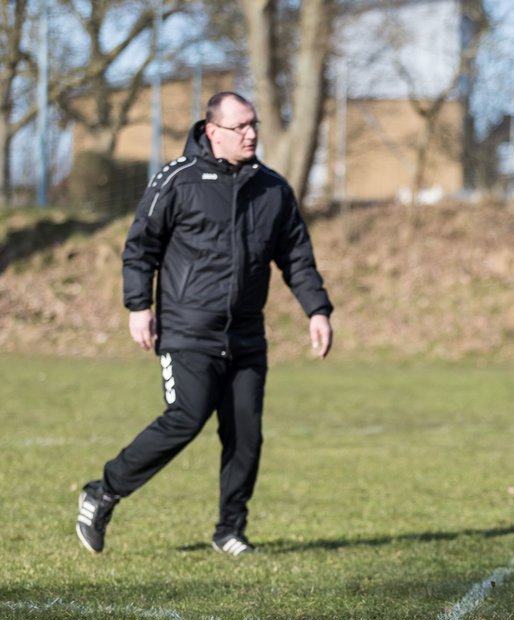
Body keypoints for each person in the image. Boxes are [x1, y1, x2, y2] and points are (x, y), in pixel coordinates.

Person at [75, 91, 334, 556]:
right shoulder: (177, 180)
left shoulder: (273, 189)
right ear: (212, 131)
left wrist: (317, 309)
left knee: (246, 436)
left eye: (254, 124)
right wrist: (139, 305)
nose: (251, 133)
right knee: (185, 418)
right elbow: (141, 247)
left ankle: (229, 530)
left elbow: (296, 256)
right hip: (187, 330)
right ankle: (104, 490)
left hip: (246, 336)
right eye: (241, 127)